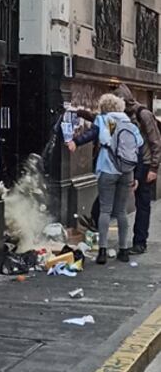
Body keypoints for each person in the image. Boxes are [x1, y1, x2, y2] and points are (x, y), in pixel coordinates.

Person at [68, 93, 142, 264]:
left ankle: (102, 250)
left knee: (105, 210)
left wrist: (75, 142)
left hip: (107, 169)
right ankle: (123, 250)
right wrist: (135, 174)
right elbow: (138, 146)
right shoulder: (129, 123)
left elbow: (91, 135)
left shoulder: (104, 120)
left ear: (104, 107)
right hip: (126, 170)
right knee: (122, 211)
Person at [113, 84, 161, 254]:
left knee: (142, 203)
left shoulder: (143, 114)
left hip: (144, 164)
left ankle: (140, 242)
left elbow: (156, 142)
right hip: (128, 162)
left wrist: (153, 168)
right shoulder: (121, 116)